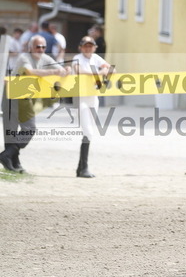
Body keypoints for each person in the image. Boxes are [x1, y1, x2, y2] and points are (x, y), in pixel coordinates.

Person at [0, 35, 69, 173]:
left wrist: (66, 70)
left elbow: (60, 68)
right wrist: (55, 71)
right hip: (12, 95)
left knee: (29, 128)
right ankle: (14, 162)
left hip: (25, 97)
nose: (41, 49)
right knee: (11, 131)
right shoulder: (24, 57)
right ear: (30, 47)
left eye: (43, 47)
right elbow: (30, 71)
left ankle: (7, 154)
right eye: (38, 46)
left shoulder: (45, 58)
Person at [71, 36, 113, 178]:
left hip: (93, 98)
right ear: (81, 47)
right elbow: (78, 70)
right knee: (87, 131)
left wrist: (106, 71)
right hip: (80, 98)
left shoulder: (96, 58)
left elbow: (111, 68)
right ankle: (84, 167)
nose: (88, 48)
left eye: (91, 46)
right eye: (85, 46)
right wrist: (97, 72)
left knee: (89, 132)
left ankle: (81, 167)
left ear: (94, 47)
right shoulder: (77, 58)